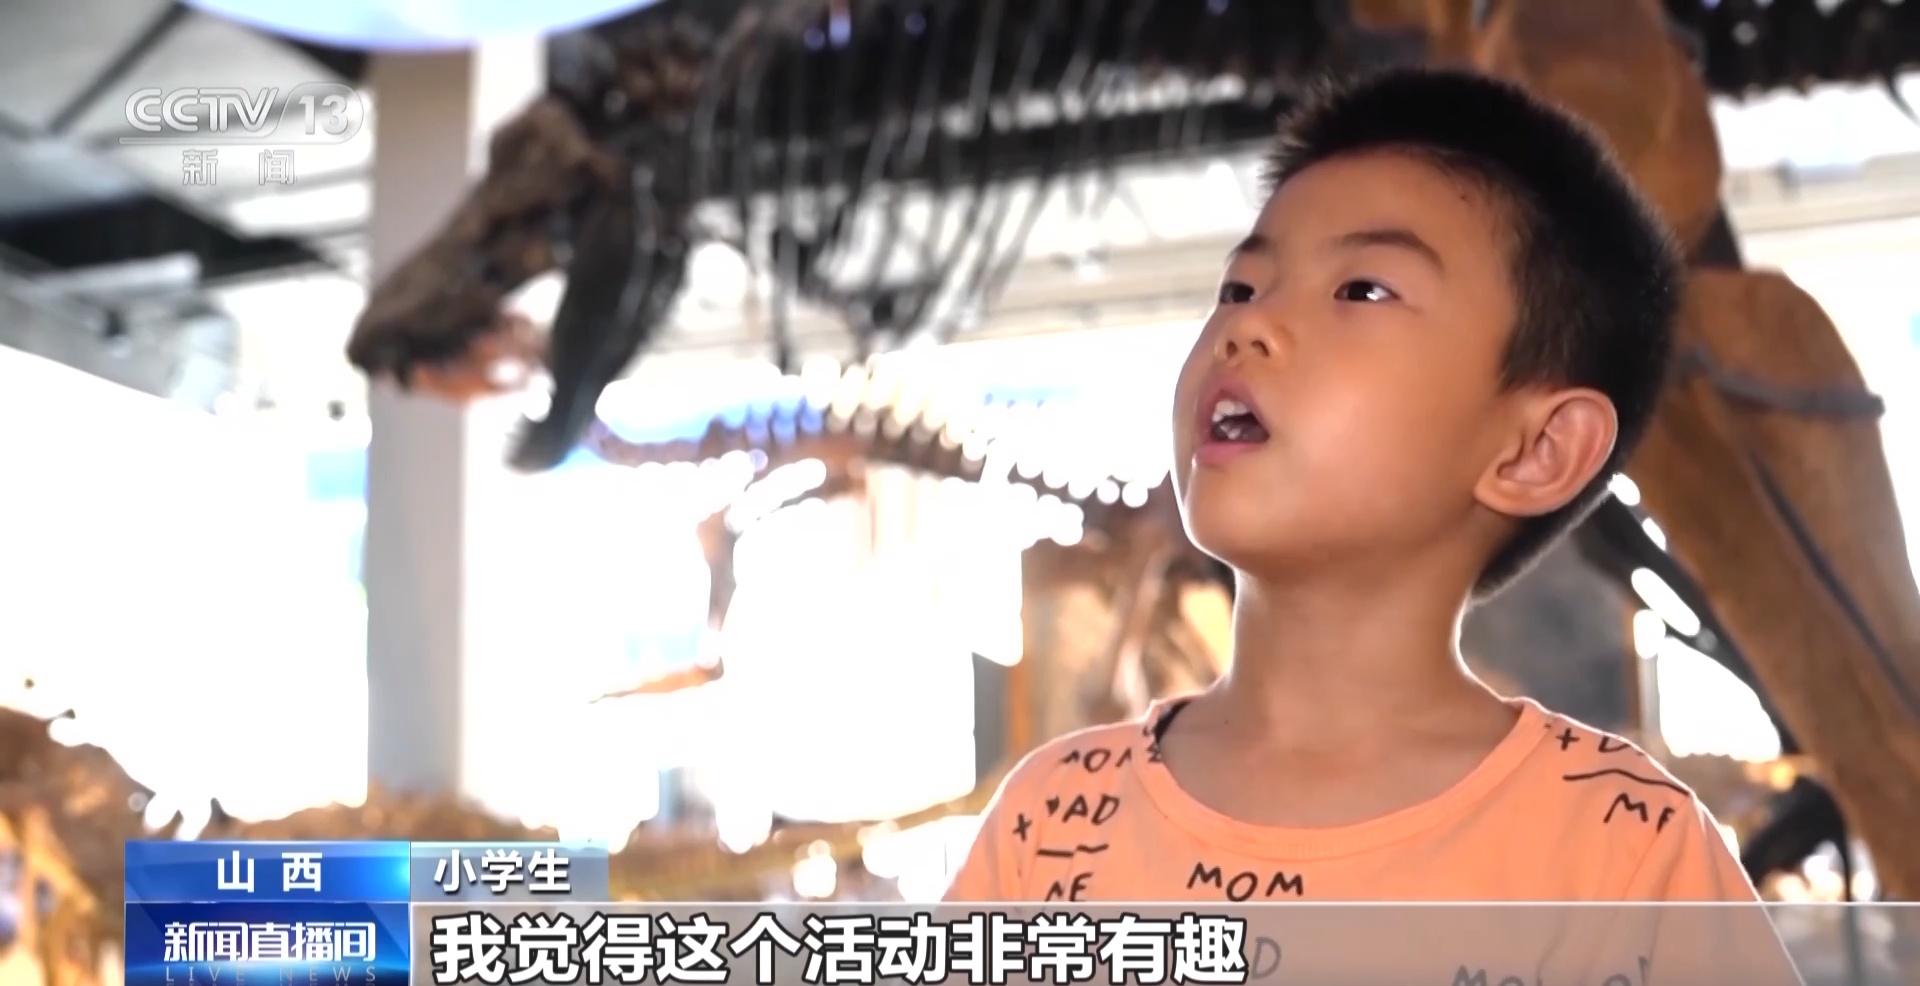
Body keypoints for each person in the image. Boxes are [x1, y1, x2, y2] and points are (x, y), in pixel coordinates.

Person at [943, 67, 1801, 983]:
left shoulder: (1630, 856)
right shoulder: (1050, 820)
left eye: (1361, 290)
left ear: (1537, 449)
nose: (1249, 327)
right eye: (1240, 288)